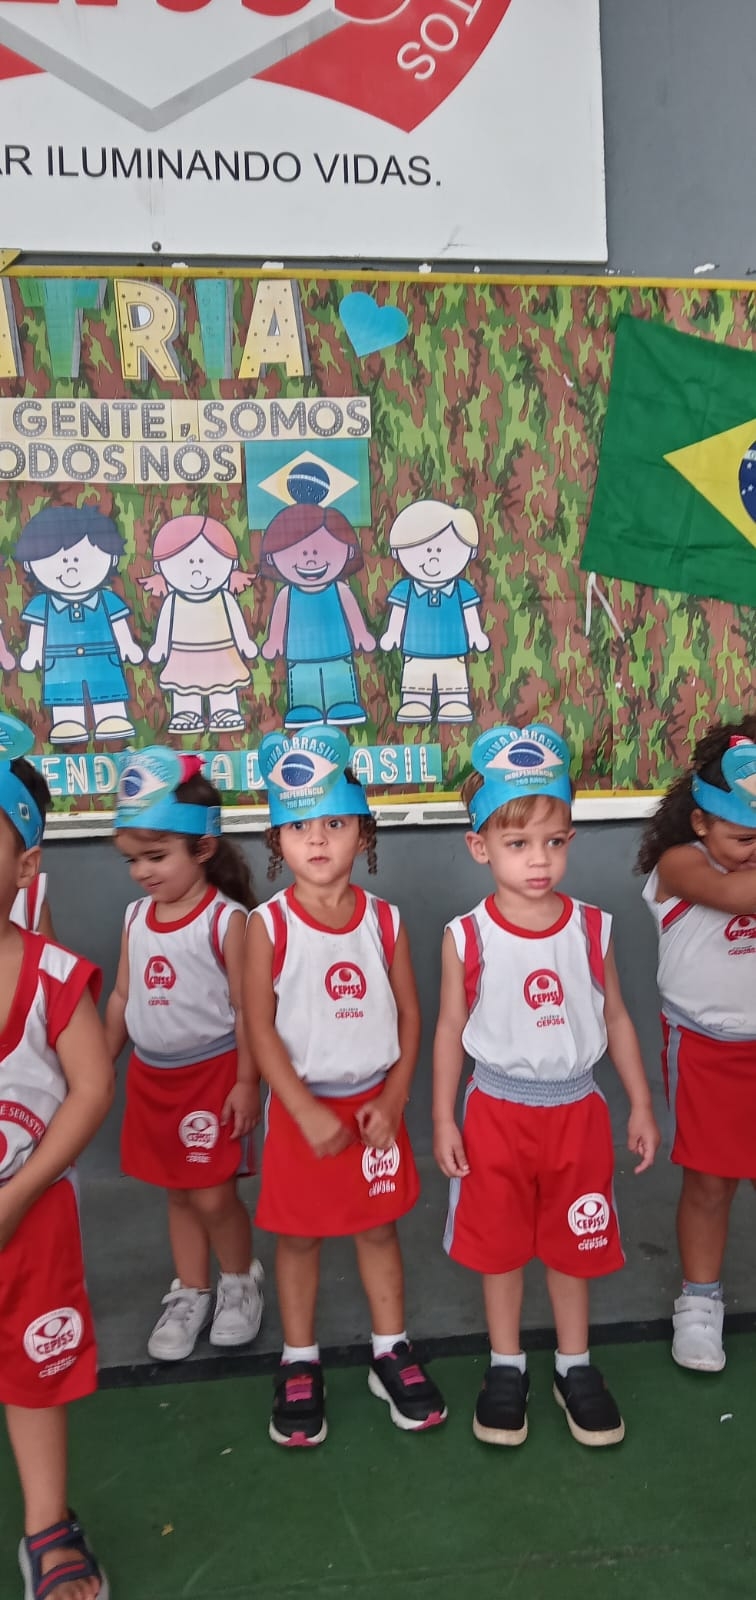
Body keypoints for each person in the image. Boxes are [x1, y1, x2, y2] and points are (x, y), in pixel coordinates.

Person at [434, 724, 659, 1449]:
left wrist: (641, 1103)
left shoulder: (592, 927)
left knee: (574, 1243)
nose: (539, 859)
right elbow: (449, 1030)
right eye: (518, 843)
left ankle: (573, 1365)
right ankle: (506, 1366)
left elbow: (616, 1018)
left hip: (576, 1113)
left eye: (554, 841)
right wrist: (442, 1118)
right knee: (499, 1249)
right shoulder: (466, 936)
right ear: (480, 846)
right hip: (495, 1113)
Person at [244, 724, 446, 1446]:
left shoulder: (386, 921)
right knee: (298, 1238)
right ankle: (299, 1359)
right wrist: (299, 1109)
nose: (318, 839)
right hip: (302, 1111)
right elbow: (258, 1027)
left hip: (373, 1111)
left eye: (334, 823)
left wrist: (394, 1098)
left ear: (364, 832)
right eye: (300, 826)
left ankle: (389, 1349)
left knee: (377, 1228)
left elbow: (411, 1015)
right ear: (278, 838)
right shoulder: (266, 925)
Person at [0, 713, 114, 1600]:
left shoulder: (53, 974)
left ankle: (46, 1524)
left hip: (31, 1216)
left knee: (35, 1375)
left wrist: (18, 1194)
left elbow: (91, 1090)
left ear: (25, 866)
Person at [105, 747, 263, 1361]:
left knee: (213, 1195)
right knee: (176, 1191)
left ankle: (239, 1282)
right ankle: (191, 1291)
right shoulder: (134, 917)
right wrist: (97, 1065)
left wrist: (246, 1083)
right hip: (152, 1080)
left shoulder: (226, 921)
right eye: (132, 860)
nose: (141, 873)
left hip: (212, 1078)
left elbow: (249, 1011)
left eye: (155, 856)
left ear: (203, 848)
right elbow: (123, 996)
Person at [638, 717, 756, 1373]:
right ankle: (700, 1302)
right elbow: (739, 894)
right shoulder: (680, 864)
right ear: (702, 822)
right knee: (710, 1184)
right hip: (708, 1049)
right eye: (745, 837)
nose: (755, 851)